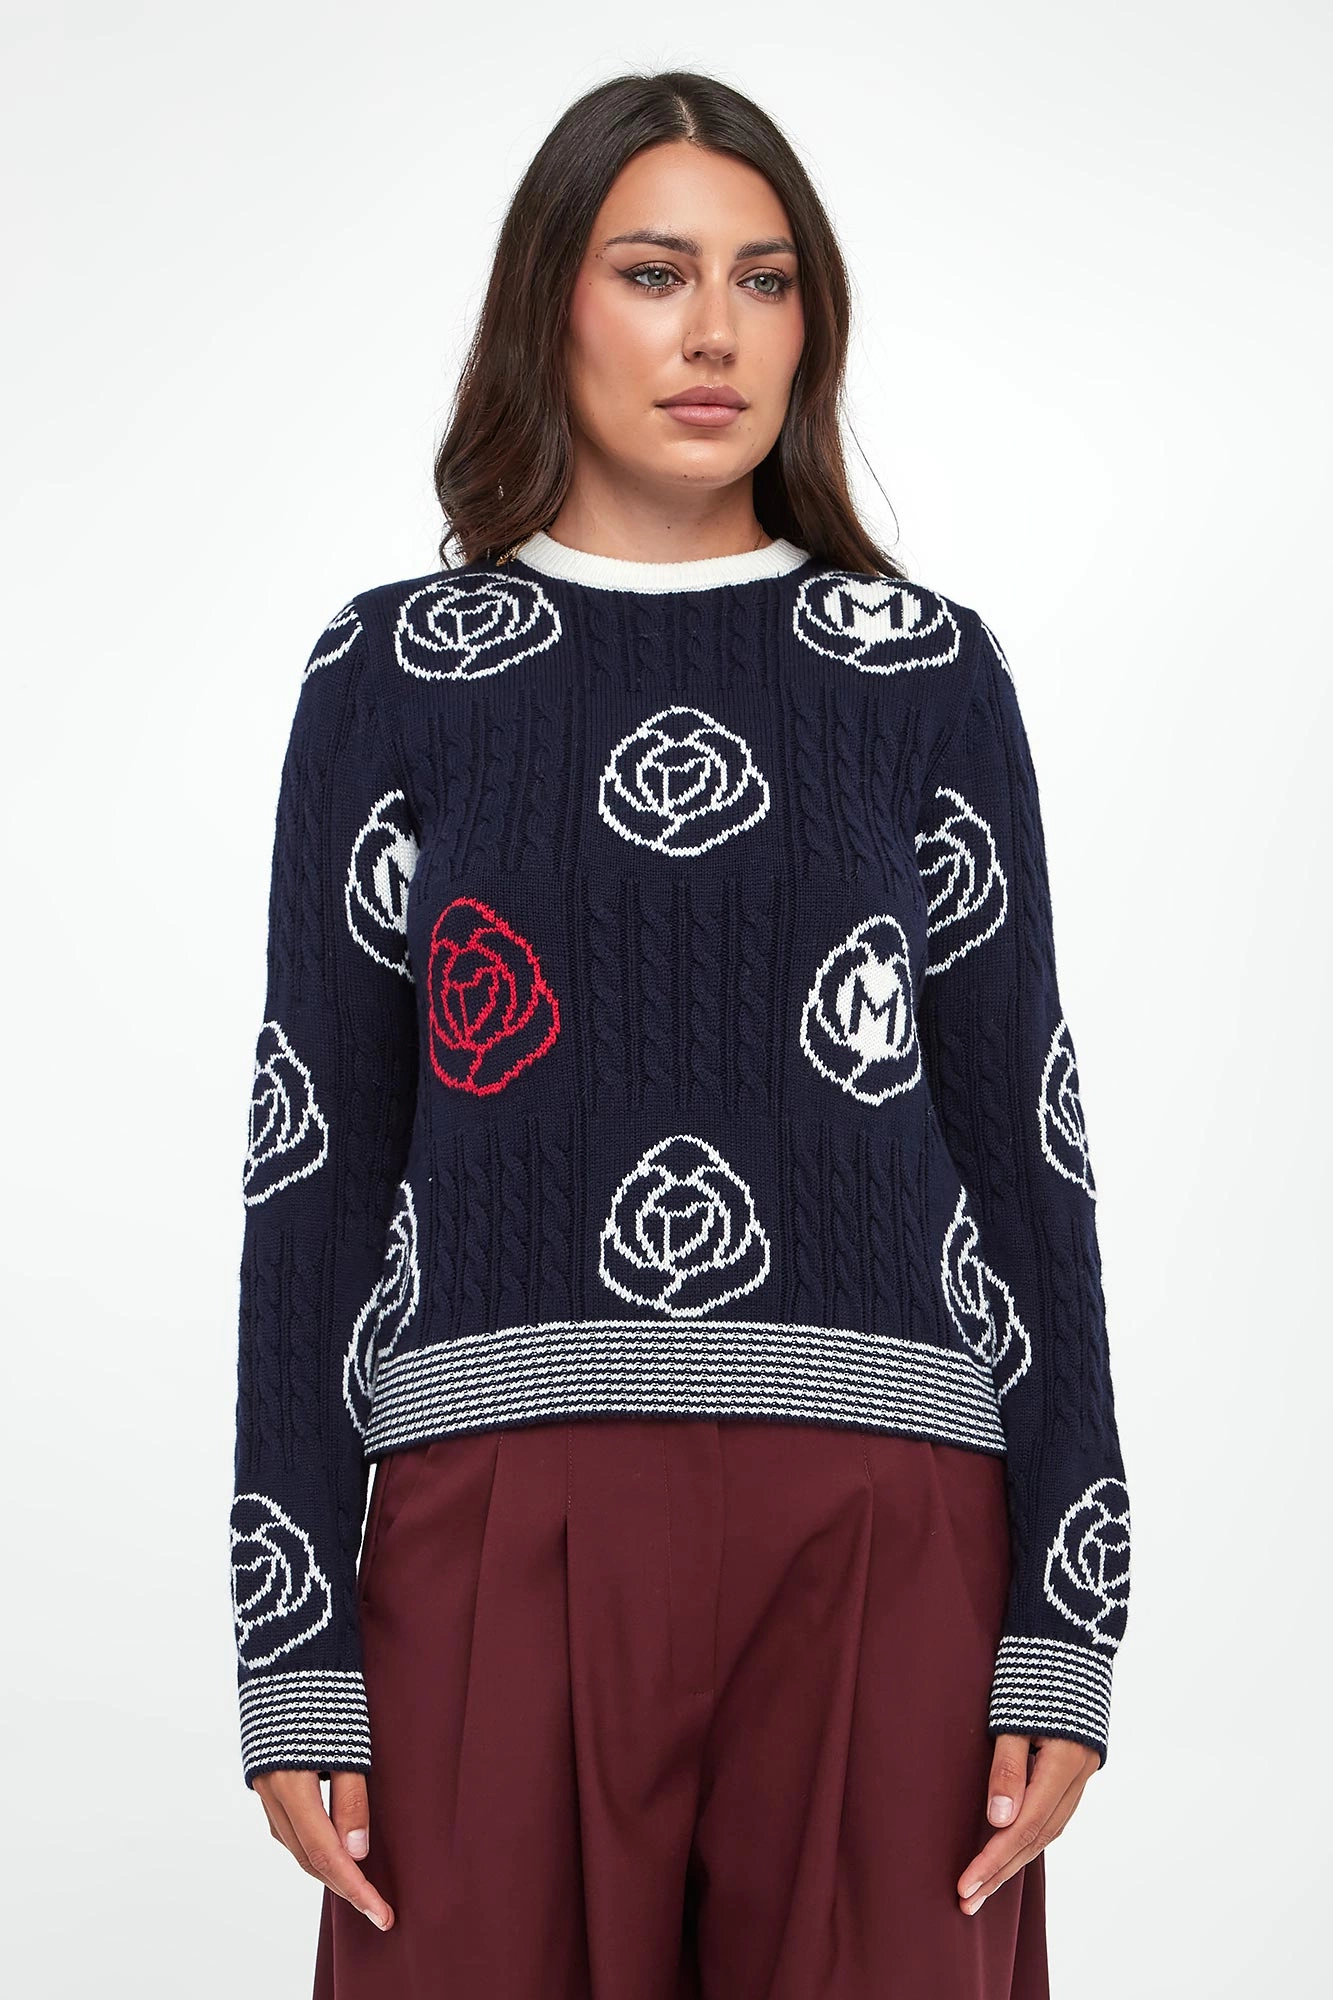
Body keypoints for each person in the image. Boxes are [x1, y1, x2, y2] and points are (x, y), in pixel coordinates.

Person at [228, 68, 1132, 2000]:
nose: (716, 331)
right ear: (549, 301)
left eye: (765, 278)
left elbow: (1027, 1146)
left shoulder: (925, 672)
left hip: (885, 1521)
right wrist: (289, 1634)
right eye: (655, 273)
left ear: (814, 324)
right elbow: (314, 1162)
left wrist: (1073, 1605)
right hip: (496, 1513)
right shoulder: (392, 673)